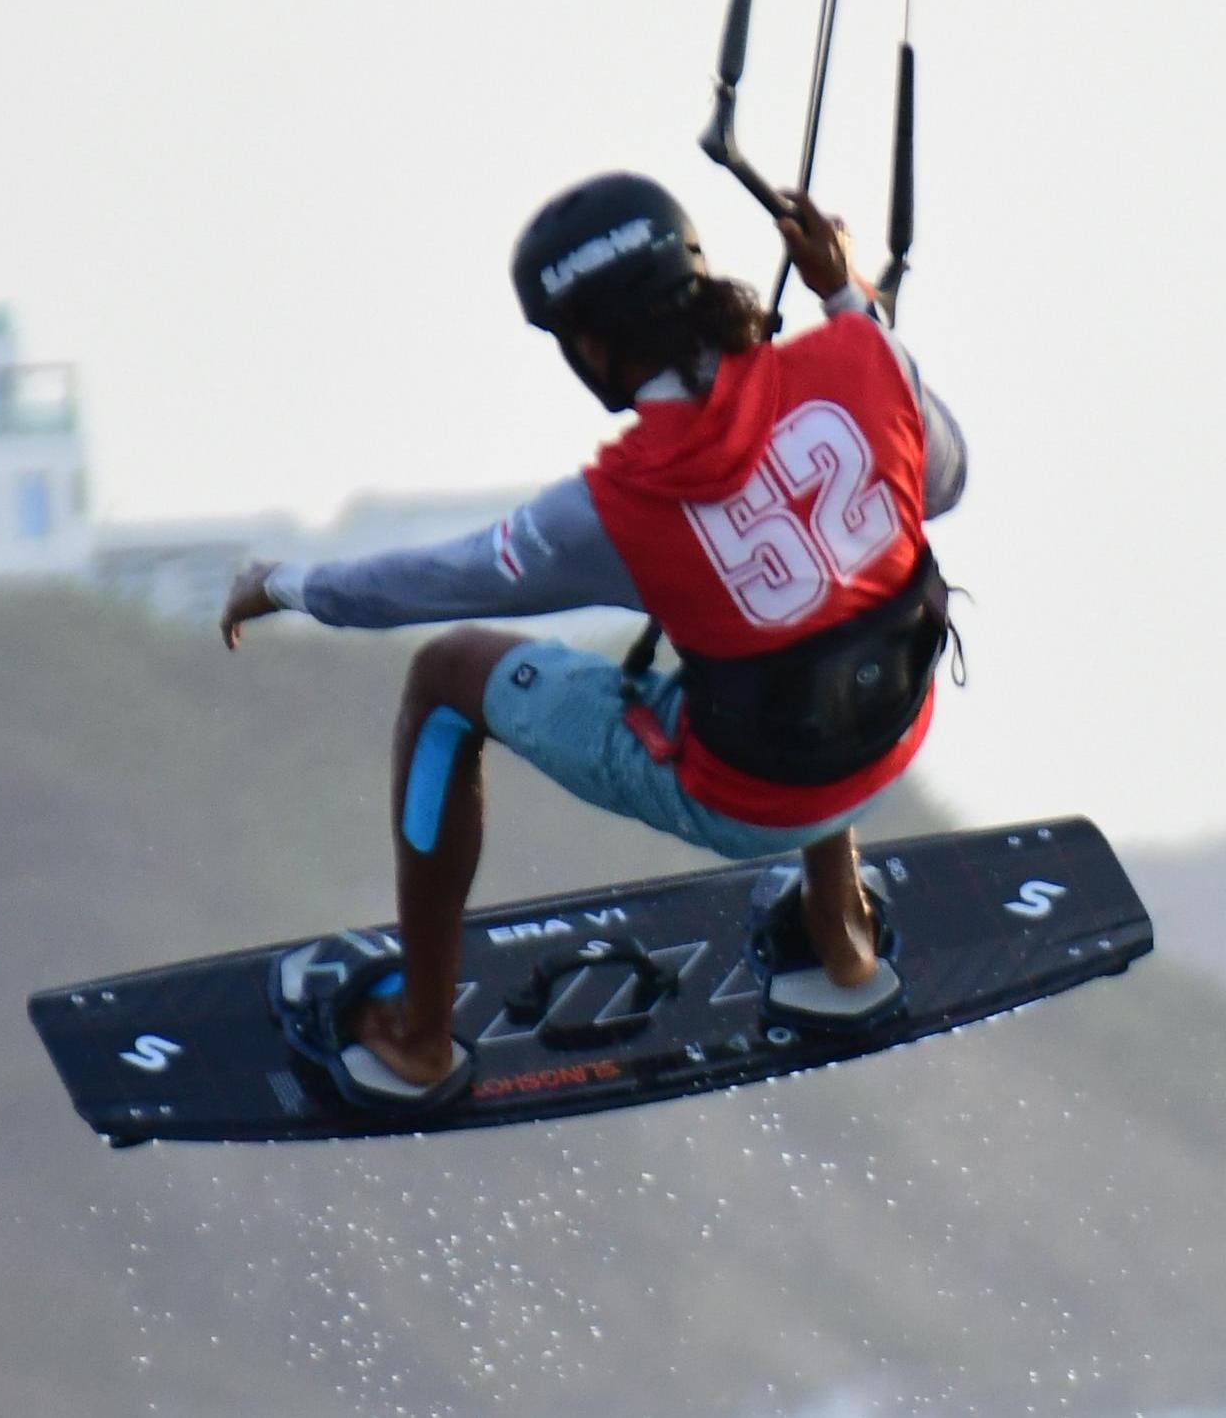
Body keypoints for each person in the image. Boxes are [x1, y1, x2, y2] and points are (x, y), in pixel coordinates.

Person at [218, 171, 965, 1108]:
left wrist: (283, 583)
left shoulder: (616, 508)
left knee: (445, 675)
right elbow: (942, 481)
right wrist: (847, 297)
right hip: (897, 736)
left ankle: (417, 1038)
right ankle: (840, 932)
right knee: (816, 598)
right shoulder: (868, 357)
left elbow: (432, 584)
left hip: (754, 802)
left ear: (596, 348)